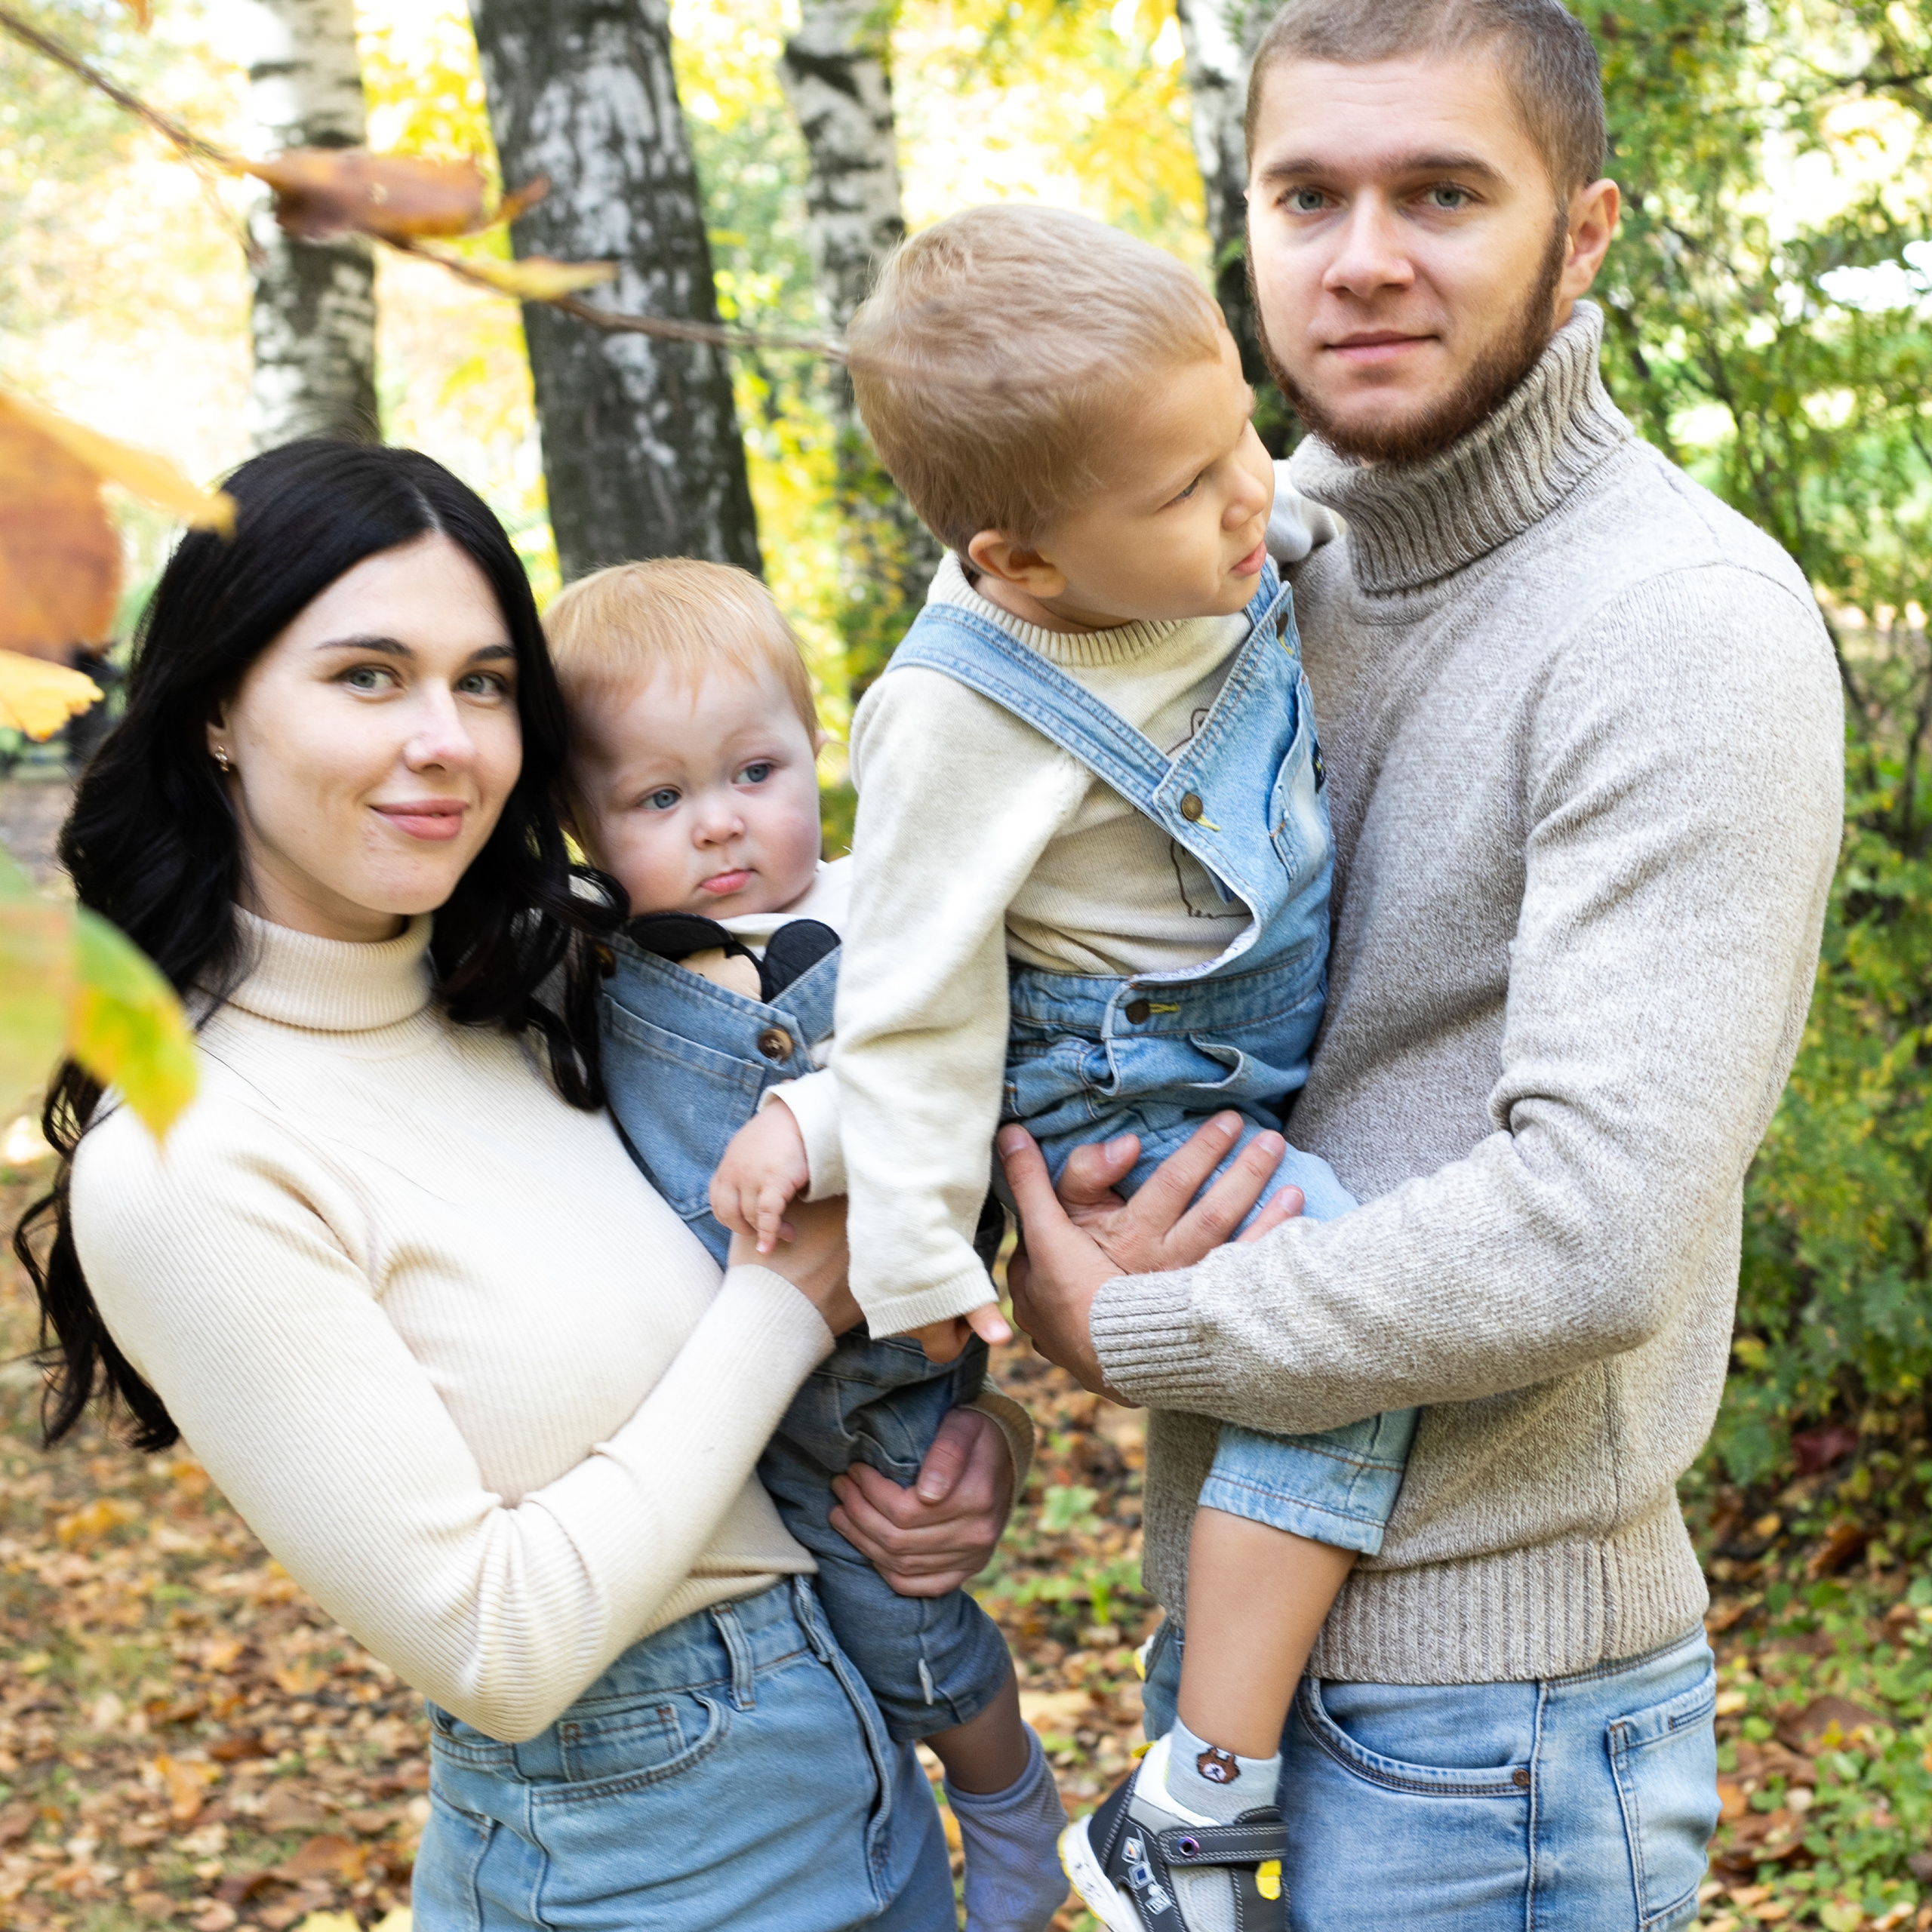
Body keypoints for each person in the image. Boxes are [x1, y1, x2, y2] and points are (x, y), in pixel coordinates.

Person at [999, 2, 1845, 1928]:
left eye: (1439, 192)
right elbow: (1065, 968)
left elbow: (1589, 1227)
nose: (1360, 254)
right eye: (1307, 193)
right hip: (1225, 1655)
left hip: (1494, 1734)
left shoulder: (1677, 624)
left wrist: (1127, 1330)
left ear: (1586, 230)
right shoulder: (1230, 574)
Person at [14, 439, 1017, 1932]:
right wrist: (784, 1303)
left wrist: (962, 1445)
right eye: (368, 674)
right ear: (222, 707)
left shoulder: (572, 985)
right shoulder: (192, 1159)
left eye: (483, 682)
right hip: (637, 1857)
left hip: (858, 1768)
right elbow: (497, 1640)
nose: (446, 739)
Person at [768, 201, 1409, 1932]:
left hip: (1219, 1054)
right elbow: (904, 998)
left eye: (1239, 440)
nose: (1248, 499)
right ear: (1025, 563)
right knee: (1341, 1335)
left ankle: (1199, 1787)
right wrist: (919, 1265)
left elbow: (1279, 505)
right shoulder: (962, 711)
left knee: (1323, 1348)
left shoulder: (1204, 535)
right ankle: (1194, 1804)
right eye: (1185, 487)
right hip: (1117, 1104)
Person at [541, 557, 1068, 1932]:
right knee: (812, 1670)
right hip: (696, 1421)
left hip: (871, 1387)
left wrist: (814, 1120)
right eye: (658, 800)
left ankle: (1007, 1793)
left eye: (755, 770)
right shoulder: (590, 957)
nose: (720, 825)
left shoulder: (886, 912)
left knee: (902, 1633)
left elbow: (969, 1068)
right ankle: (885, 1827)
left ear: (817, 745)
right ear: (580, 824)